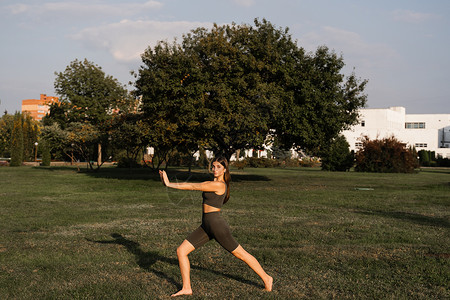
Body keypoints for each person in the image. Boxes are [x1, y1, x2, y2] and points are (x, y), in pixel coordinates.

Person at [159, 156, 273, 297]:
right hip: (206, 226)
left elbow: (195, 186)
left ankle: (267, 278)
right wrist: (167, 183)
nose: (215, 169)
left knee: (241, 254)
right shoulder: (213, 182)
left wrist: (170, 184)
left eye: (218, 167)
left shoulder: (220, 185)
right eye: (213, 166)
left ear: (225, 169)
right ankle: (187, 287)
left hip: (217, 226)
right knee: (181, 251)